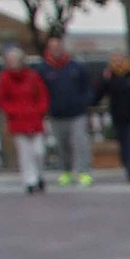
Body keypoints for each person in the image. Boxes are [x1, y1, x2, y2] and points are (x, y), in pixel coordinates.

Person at [37, 33, 98, 186]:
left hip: (77, 113)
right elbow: (39, 91)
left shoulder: (76, 67)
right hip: (56, 114)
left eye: (58, 46)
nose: (56, 50)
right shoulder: (43, 69)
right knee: (61, 145)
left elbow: (88, 87)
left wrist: (85, 102)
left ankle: (84, 172)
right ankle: (66, 172)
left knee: (81, 143)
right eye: (52, 47)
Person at [0, 46, 49, 194]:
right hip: (18, 120)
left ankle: (39, 175)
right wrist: (12, 111)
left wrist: (40, 110)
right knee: (25, 153)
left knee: (39, 151)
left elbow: (42, 95)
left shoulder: (32, 76)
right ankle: (29, 180)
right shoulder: (4, 78)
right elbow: (2, 99)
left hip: (34, 119)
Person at [97, 51, 130, 183]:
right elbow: (99, 94)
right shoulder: (109, 77)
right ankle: (127, 165)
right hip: (118, 117)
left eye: (121, 59)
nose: (118, 62)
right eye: (115, 60)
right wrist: (104, 80)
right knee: (123, 145)